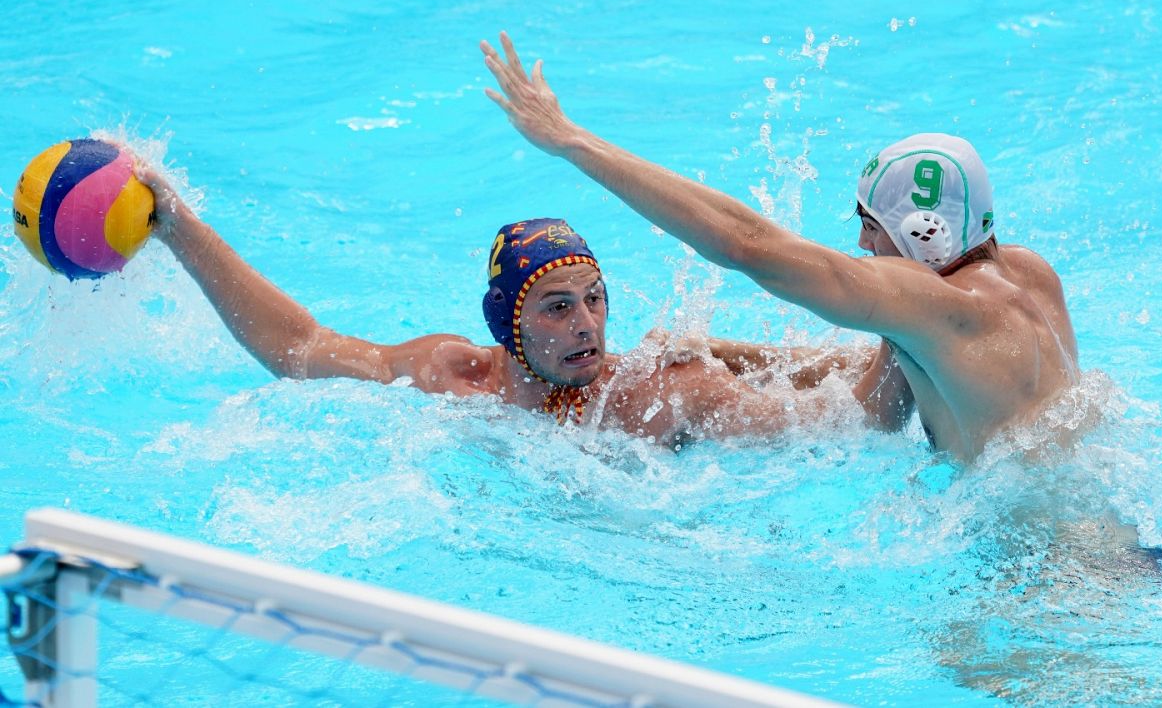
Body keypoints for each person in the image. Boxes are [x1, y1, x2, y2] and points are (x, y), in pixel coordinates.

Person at [480, 32, 1085, 462]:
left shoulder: (936, 308)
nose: (860, 243)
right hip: (1108, 543)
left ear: (925, 236)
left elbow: (747, 244)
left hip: (1039, 579)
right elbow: (887, 384)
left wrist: (573, 143)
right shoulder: (1027, 275)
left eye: (872, 226)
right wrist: (723, 351)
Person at [138, 167, 854, 447]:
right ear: (506, 325)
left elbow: (841, 421)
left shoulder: (656, 397)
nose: (586, 325)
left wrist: (731, 351)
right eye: (557, 307)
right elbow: (296, 349)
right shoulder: (450, 376)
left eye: (596, 300)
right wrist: (177, 226)